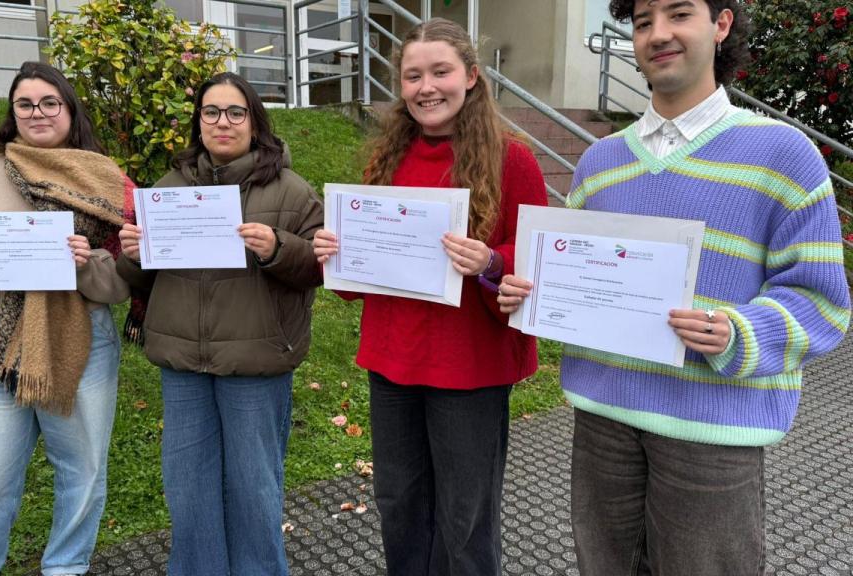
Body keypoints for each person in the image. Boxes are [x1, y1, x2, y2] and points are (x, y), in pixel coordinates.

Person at [498, 1, 851, 574]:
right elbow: (574, 278)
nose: (657, 34)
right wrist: (531, 294)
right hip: (602, 420)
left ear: (721, 24)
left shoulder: (785, 156)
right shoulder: (601, 162)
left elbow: (822, 302)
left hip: (713, 431)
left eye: (678, 13)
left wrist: (737, 331)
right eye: (642, 22)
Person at [312, 18, 547, 576]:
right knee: (399, 505)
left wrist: (491, 262)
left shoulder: (513, 159)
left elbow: (535, 261)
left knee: (465, 517)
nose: (426, 87)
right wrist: (336, 252)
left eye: (440, 71)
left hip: (469, 367)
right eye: (413, 76)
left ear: (470, 76)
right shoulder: (386, 160)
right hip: (394, 363)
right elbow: (358, 275)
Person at [116, 72, 323, 576]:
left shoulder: (292, 191)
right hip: (184, 362)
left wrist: (279, 248)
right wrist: (133, 255)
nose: (222, 122)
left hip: (256, 362)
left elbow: (320, 267)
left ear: (255, 122)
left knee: (254, 487)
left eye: (235, 112)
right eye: (211, 112)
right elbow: (139, 279)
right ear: (198, 123)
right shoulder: (167, 189)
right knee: (188, 486)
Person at [0, 62, 132, 576]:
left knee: (83, 470)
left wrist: (88, 264)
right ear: (13, 113)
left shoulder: (106, 177)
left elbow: (121, 284)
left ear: (69, 110)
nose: (37, 113)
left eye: (50, 102)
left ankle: (66, 567)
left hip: (82, 336)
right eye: (25, 104)